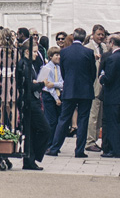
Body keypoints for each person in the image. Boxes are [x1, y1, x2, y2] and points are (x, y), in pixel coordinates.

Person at [45, 28, 96, 158]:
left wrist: (68, 82)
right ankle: (79, 150)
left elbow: (63, 71)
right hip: (85, 90)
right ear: (84, 38)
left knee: (63, 119)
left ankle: (54, 147)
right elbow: (93, 72)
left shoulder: (65, 52)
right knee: (83, 119)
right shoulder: (89, 52)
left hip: (69, 89)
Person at [16, 36, 52, 170]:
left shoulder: (29, 64)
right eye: (35, 52)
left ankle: (29, 160)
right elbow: (28, 86)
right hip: (29, 101)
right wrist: (42, 84)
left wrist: (38, 83)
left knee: (31, 132)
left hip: (31, 99)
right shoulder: (24, 64)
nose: (37, 54)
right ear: (27, 51)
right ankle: (32, 156)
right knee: (44, 129)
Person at [99, 32, 120, 158]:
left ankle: (115, 150)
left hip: (113, 95)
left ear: (112, 43)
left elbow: (108, 78)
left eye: (108, 42)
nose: (107, 44)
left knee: (113, 123)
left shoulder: (112, 58)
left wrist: (101, 77)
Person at [0, 29, 18, 126]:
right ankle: (13, 127)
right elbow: (18, 64)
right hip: (12, 78)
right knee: (12, 104)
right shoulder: (16, 52)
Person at [85, 24, 107, 152]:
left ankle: (96, 138)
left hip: (103, 85)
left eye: (102, 34)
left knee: (99, 115)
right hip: (93, 85)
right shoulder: (88, 48)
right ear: (93, 34)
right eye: (99, 34)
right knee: (93, 114)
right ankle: (90, 141)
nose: (101, 37)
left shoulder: (104, 47)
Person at [37, 46, 63, 132]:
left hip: (59, 94)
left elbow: (62, 83)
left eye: (59, 55)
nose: (59, 57)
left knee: (58, 120)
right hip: (49, 95)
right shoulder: (46, 68)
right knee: (51, 121)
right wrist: (56, 98)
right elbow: (48, 85)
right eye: (56, 55)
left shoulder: (59, 68)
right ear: (51, 56)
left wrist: (54, 84)